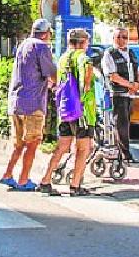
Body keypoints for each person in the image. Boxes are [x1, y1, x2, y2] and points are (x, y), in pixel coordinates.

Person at [39, 28, 97, 197]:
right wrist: (86, 94)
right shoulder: (84, 58)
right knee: (83, 148)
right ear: (83, 42)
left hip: (65, 109)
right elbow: (86, 81)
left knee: (62, 146)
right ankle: (75, 184)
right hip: (82, 111)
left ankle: (46, 180)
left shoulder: (62, 58)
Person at [1, 19, 57, 191]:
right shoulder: (41, 47)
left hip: (16, 101)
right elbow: (52, 74)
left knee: (19, 143)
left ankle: (8, 174)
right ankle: (24, 179)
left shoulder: (23, 45)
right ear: (46, 33)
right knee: (32, 142)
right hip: (33, 104)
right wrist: (55, 84)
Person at [101, 28, 139, 166]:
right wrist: (130, 85)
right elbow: (113, 76)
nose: (122, 40)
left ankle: (123, 152)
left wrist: (137, 84)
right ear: (113, 38)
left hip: (130, 95)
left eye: (125, 37)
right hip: (117, 94)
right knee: (121, 125)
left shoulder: (131, 52)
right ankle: (125, 154)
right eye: (119, 37)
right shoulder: (109, 54)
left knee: (127, 124)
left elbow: (136, 70)